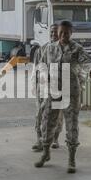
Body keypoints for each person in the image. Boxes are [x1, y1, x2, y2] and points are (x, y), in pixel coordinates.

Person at [35, 20, 91, 173]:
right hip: (53, 92)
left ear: (71, 33)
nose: (63, 36)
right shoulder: (49, 48)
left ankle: (71, 159)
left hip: (71, 93)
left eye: (66, 33)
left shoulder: (77, 48)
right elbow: (42, 65)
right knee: (47, 122)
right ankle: (46, 153)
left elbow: (87, 62)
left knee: (72, 126)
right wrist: (42, 77)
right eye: (61, 33)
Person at [32, 24, 63, 152]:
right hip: (43, 87)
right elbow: (36, 68)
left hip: (58, 87)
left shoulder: (65, 50)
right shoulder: (42, 49)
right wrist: (35, 84)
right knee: (40, 112)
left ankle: (55, 138)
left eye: (55, 33)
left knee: (57, 115)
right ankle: (39, 138)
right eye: (51, 32)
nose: (53, 35)